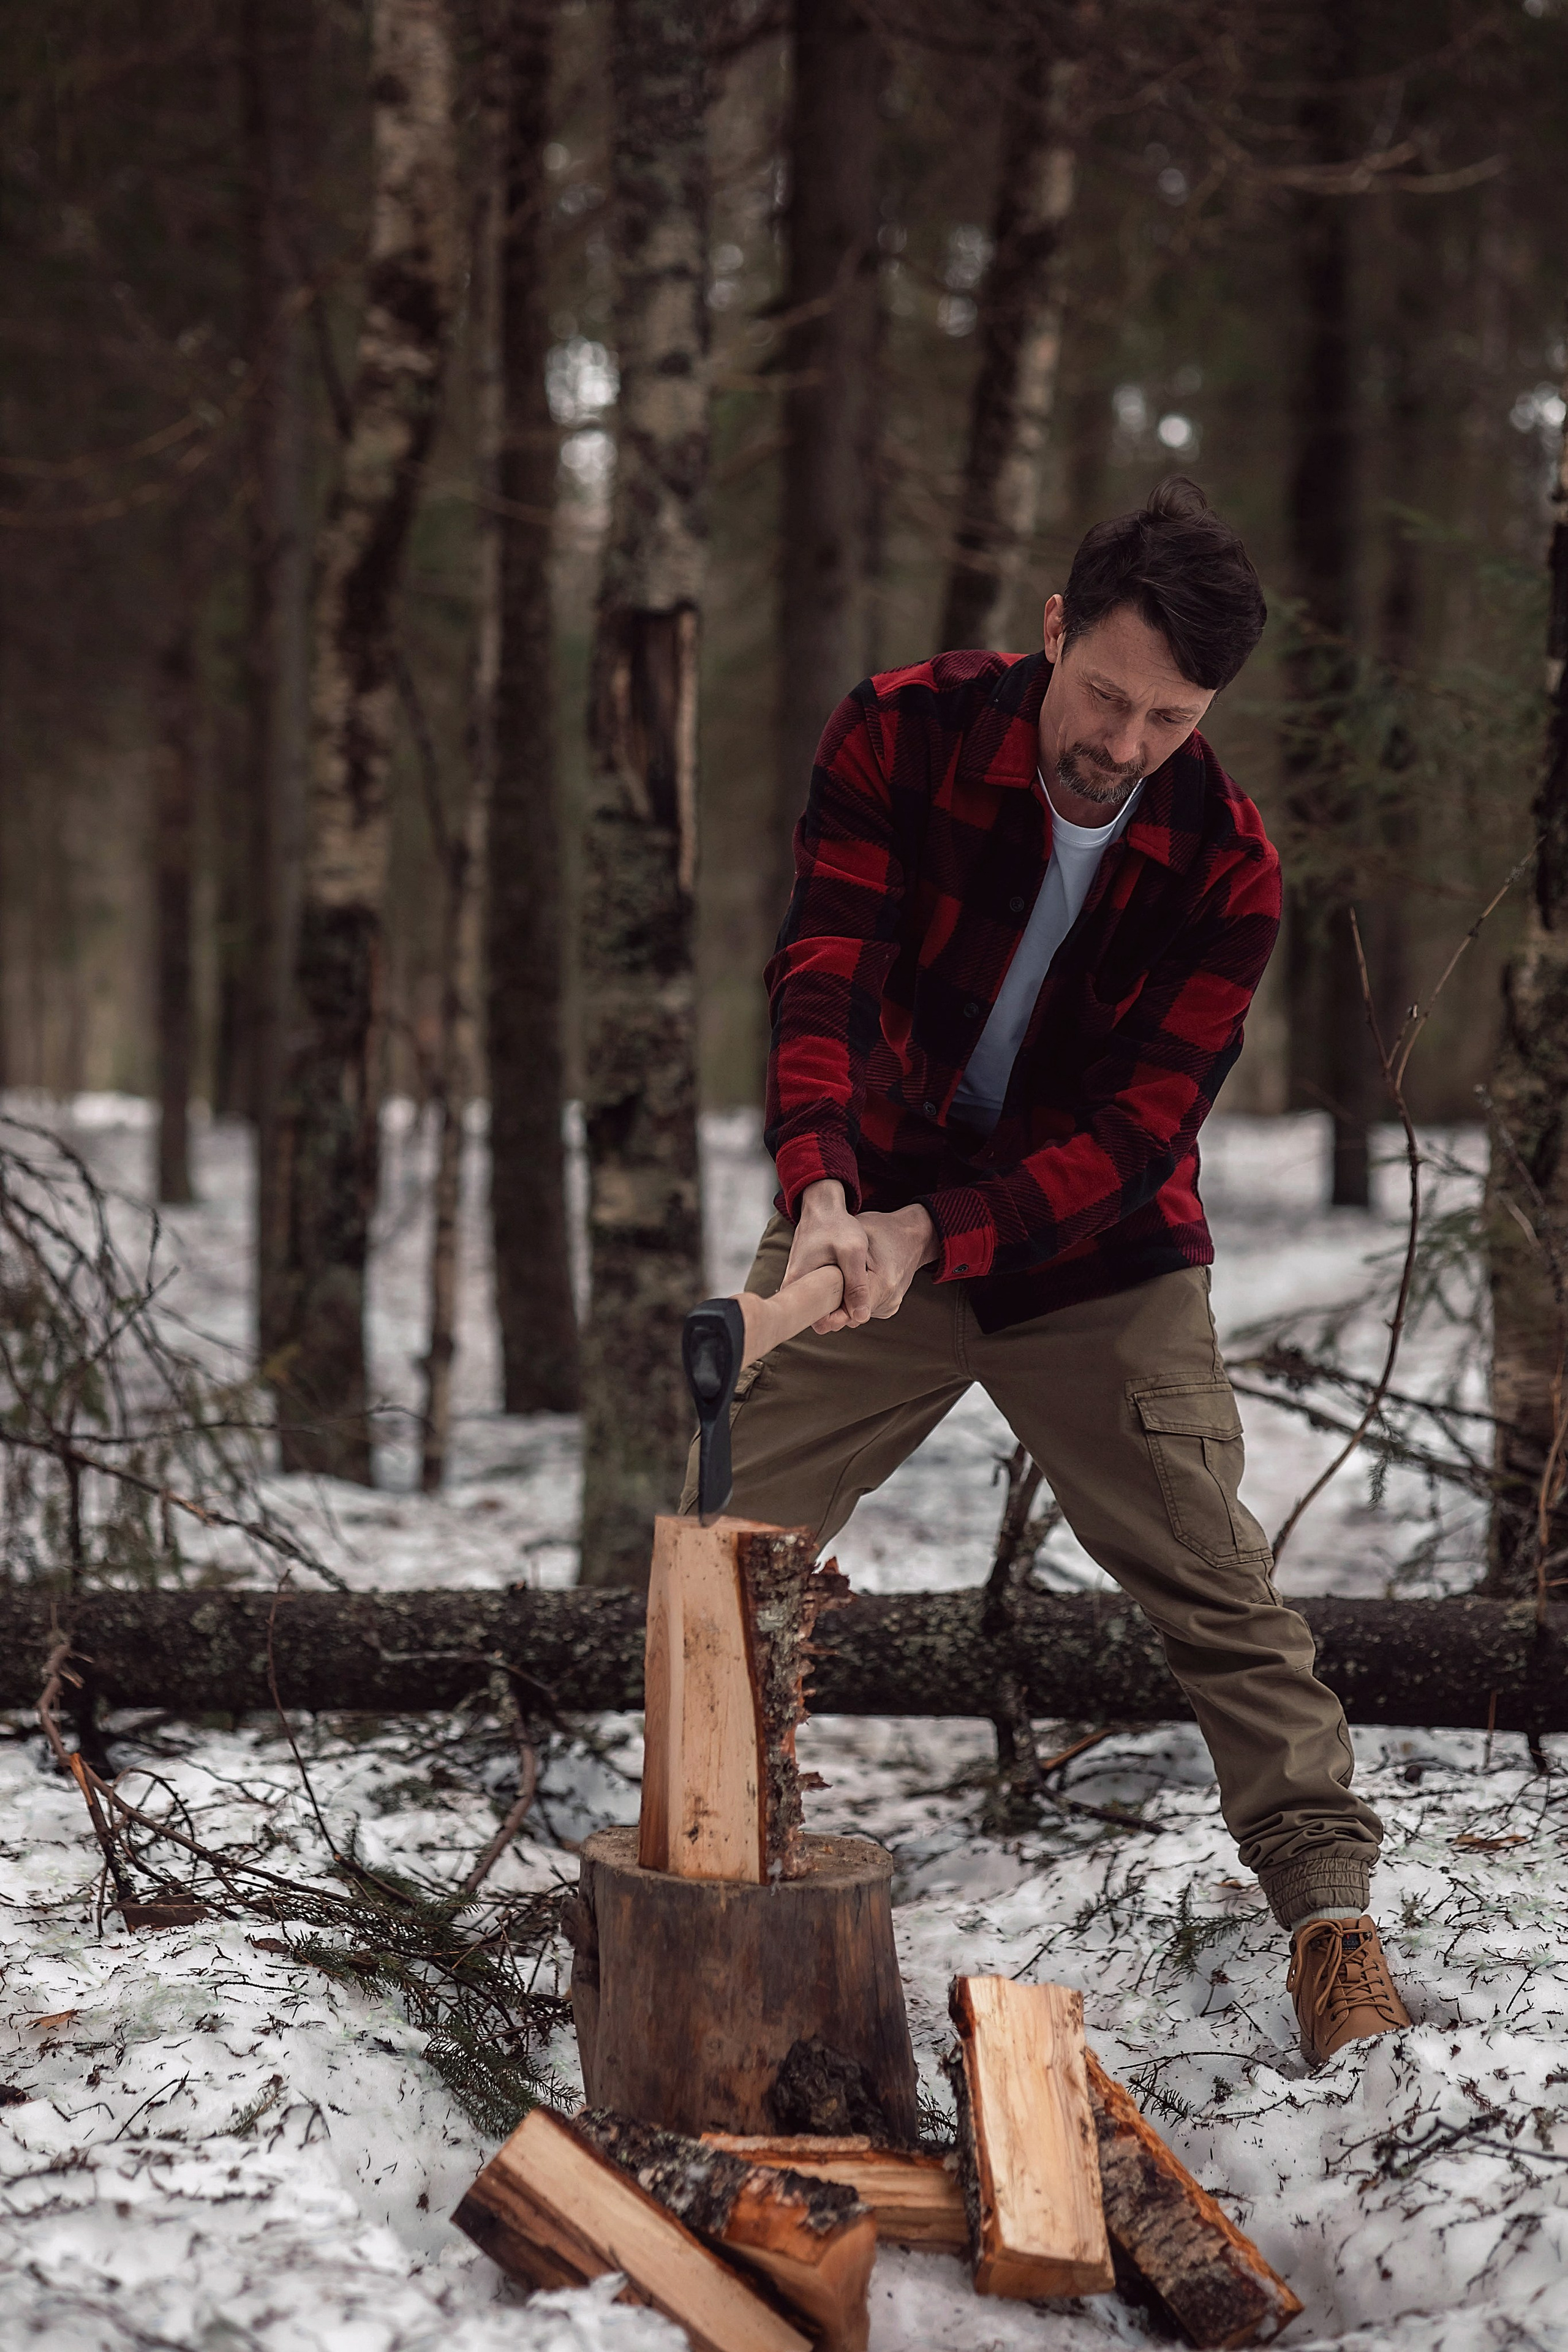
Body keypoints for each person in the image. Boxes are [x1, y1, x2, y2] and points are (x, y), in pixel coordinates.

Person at [681, 476, 1411, 2068]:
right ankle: (711, 1893)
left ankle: (1332, 1929)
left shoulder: (1230, 866)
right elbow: (822, 964)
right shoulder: (899, 734)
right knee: (711, 1563)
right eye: (1104, 696)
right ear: (1053, 626)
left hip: (1095, 1252)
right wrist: (820, 1187)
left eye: (1169, 717)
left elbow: (1139, 1132)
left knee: (1219, 1590)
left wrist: (935, 1233)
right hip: (857, 1221)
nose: (1124, 743)